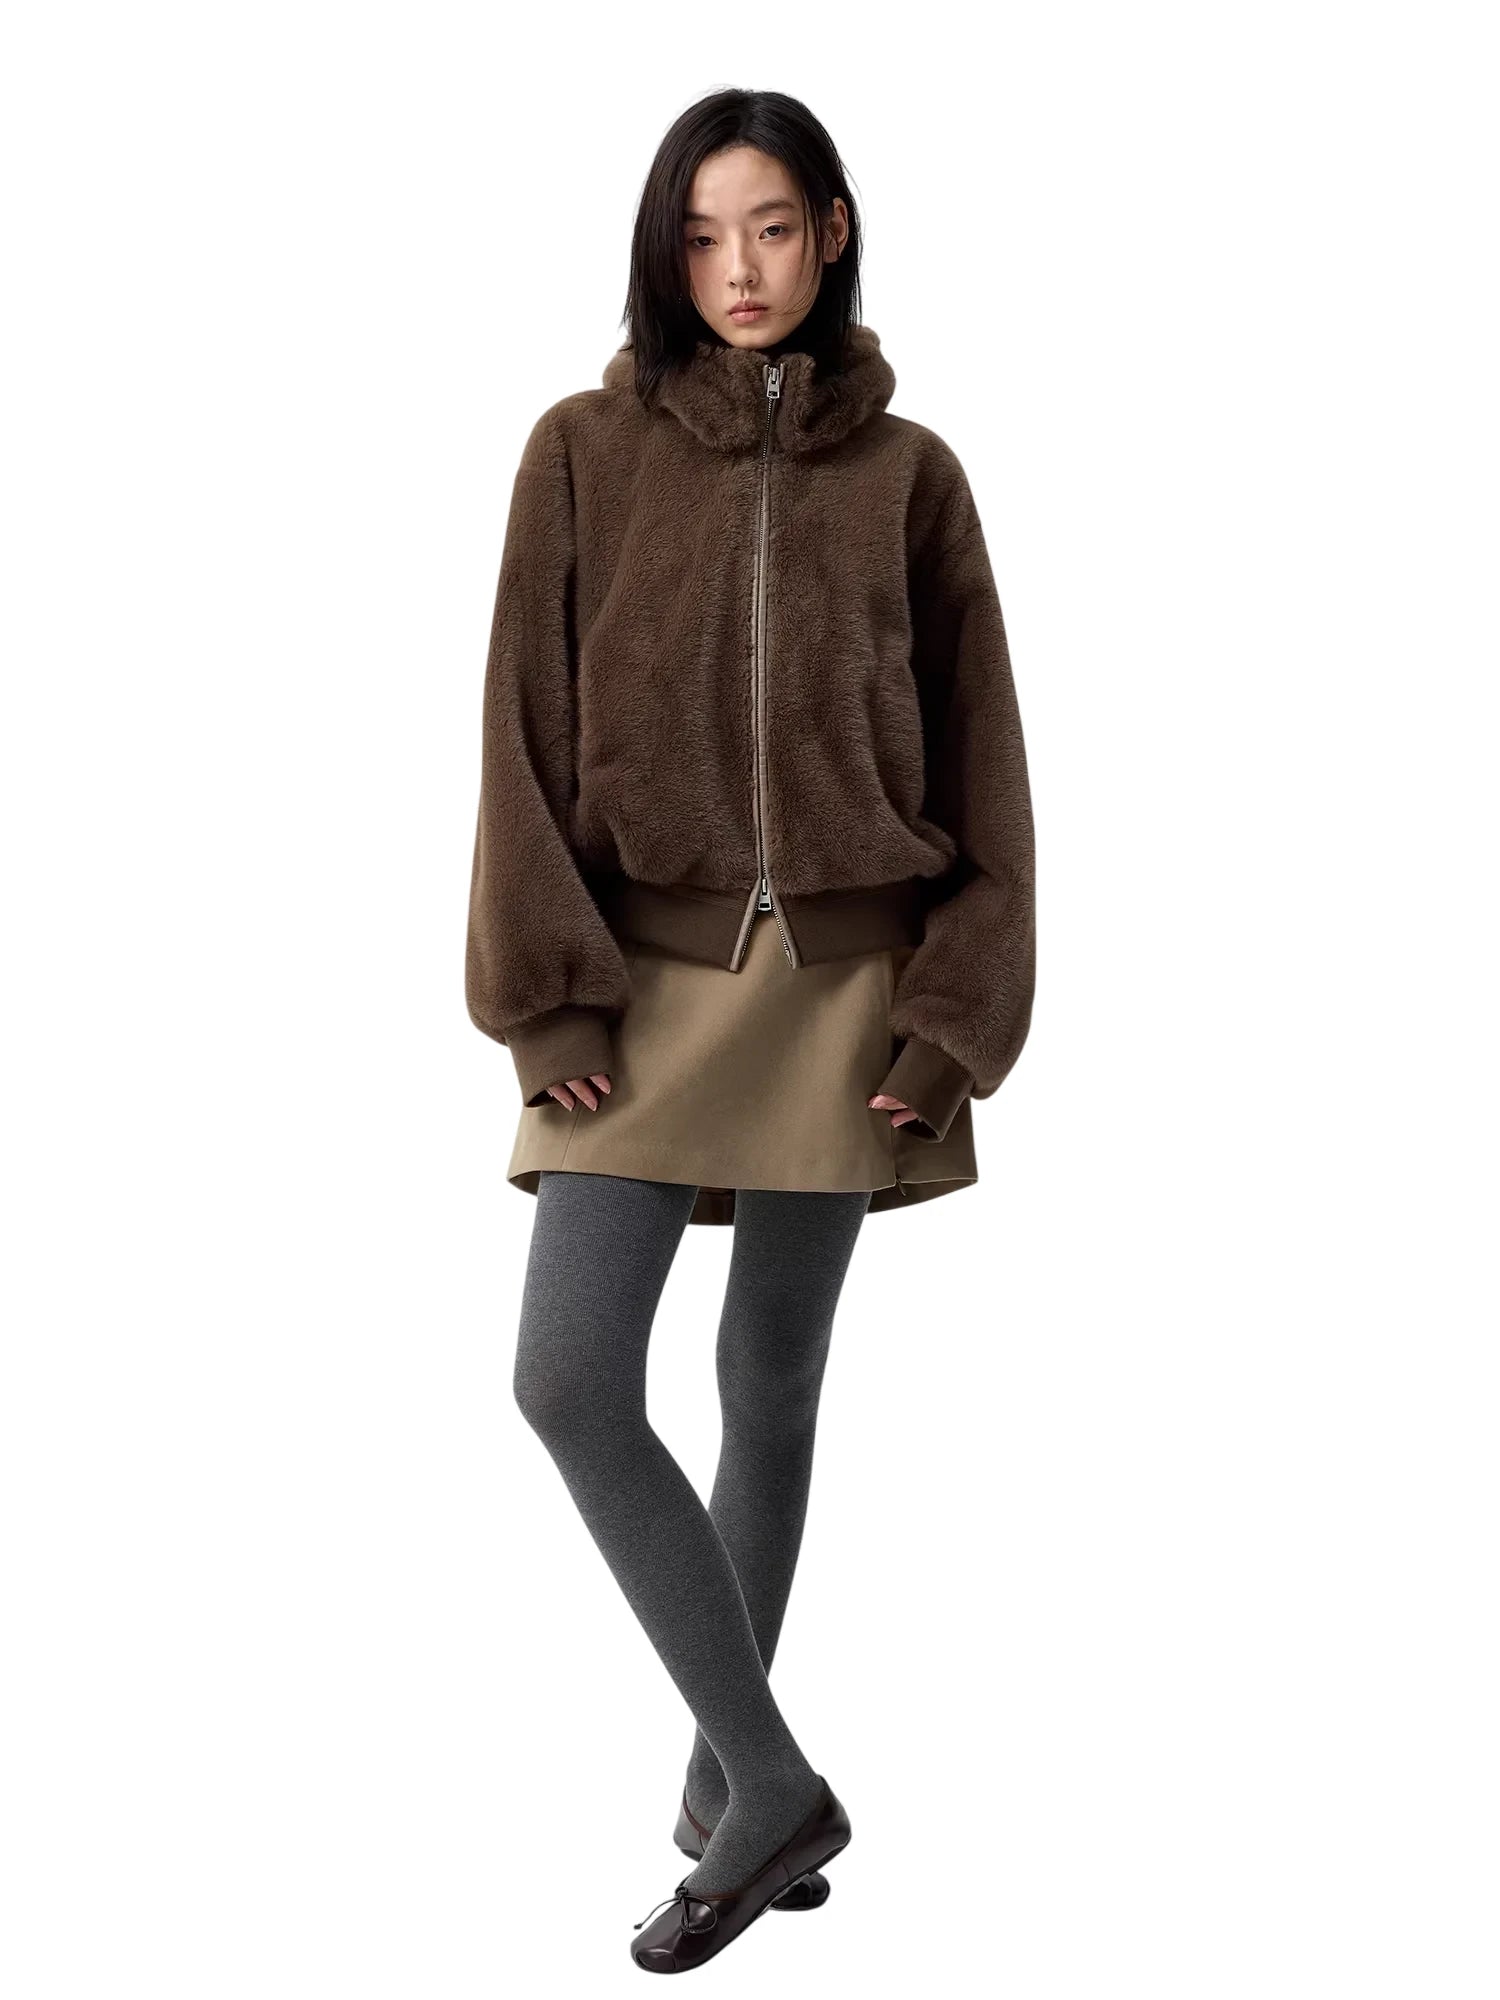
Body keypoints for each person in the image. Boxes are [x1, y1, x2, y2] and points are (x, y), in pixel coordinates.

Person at [465, 87, 1036, 1973]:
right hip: (631, 993)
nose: (739, 270)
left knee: (769, 1383)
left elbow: (991, 776)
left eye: (773, 229)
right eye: (704, 236)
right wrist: (547, 992)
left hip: (852, 1000)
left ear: (832, 233)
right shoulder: (581, 452)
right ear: (663, 249)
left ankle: (728, 1803)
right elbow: (520, 738)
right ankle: (775, 1781)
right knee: (569, 1378)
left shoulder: (914, 477)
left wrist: (954, 1023)